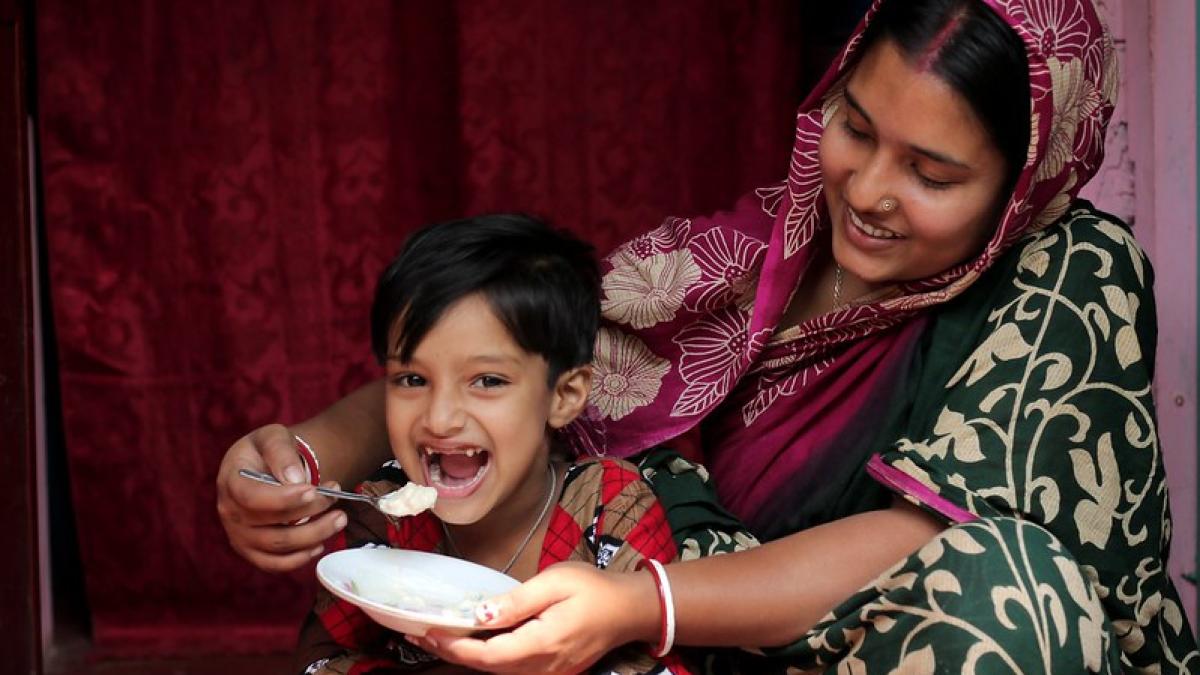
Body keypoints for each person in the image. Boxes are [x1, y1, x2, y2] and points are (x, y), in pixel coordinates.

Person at [217, 0, 1200, 672]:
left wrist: (646, 602)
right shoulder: (748, 260)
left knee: (1008, 585)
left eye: (931, 175)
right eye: (855, 128)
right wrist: (308, 454)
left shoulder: (1071, 274)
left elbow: (933, 547)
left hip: (895, 649)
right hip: (688, 650)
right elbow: (511, 366)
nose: (864, 192)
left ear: (1019, 188)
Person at [292, 214, 752, 674]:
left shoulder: (610, 506)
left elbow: (657, 666)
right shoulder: (379, 516)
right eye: (412, 379)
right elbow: (324, 659)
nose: (440, 418)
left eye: (488, 381)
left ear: (563, 396)